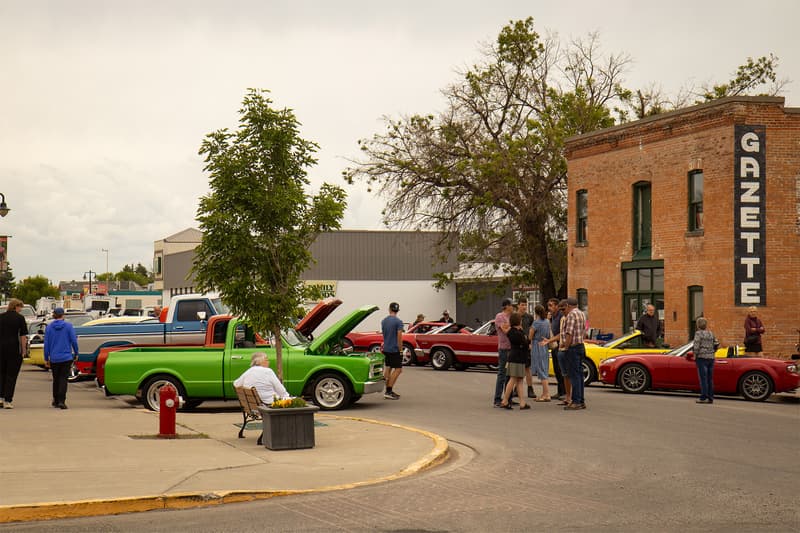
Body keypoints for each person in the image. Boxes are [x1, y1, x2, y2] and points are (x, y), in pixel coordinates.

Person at [43, 307, 80, 409]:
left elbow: (46, 344)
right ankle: (61, 401)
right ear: (63, 315)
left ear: (54, 315)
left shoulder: (49, 327)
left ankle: (55, 399)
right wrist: (76, 352)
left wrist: (46, 358)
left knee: (56, 379)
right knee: (63, 379)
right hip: (66, 357)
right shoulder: (68, 326)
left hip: (54, 357)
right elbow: (74, 341)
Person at [0, 299, 29, 409]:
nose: (21, 309)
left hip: (1, 349)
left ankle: (0, 397)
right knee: (11, 375)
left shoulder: (1, 317)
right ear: (16, 306)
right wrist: (24, 351)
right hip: (14, 349)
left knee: (1, 373)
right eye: (20, 307)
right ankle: (8, 400)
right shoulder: (20, 318)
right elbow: (23, 336)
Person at [499, 312, 530, 410]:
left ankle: (522, 403)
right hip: (517, 358)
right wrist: (526, 340)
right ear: (518, 321)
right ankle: (505, 400)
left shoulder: (511, 331)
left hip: (515, 357)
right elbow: (525, 343)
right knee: (513, 379)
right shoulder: (517, 333)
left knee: (519, 380)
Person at [562, 297, 587, 411]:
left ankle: (576, 401)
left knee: (574, 375)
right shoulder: (582, 314)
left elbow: (569, 333)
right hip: (581, 345)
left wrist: (566, 347)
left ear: (568, 305)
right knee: (579, 374)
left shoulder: (571, 315)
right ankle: (581, 400)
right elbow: (584, 331)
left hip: (573, 347)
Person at [492, 298, 514, 407]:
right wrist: (512, 328)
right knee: (502, 373)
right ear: (506, 306)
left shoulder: (511, 317)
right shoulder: (500, 316)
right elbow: (505, 330)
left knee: (510, 374)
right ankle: (497, 398)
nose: (513, 307)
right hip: (504, 348)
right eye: (511, 305)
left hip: (512, 348)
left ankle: (508, 397)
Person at [381, 302, 404, 400]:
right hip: (394, 349)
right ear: (397, 310)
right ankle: (389, 391)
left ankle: (387, 390)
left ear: (389, 309)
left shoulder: (384, 321)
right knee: (398, 369)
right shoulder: (398, 322)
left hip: (386, 348)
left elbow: (384, 335)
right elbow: (399, 337)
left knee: (388, 368)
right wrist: (401, 350)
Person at [693, 317, 717, 404]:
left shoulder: (698, 334)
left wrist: (695, 355)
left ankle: (703, 397)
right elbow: (716, 343)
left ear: (698, 325)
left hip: (702, 358)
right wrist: (712, 351)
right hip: (711, 358)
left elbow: (696, 345)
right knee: (710, 378)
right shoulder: (711, 333)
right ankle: (710, 397)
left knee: (703, 378)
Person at [531, 304, 552, 401]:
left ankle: (546, 394)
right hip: (545, 345)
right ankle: (544, 394)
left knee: (541, 370)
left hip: (537, 345)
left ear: (536, 312)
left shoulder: (536, 323)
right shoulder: (547, 321)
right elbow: (548, 334)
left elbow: (530, 335)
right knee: (544, 368)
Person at [546, 298, 566, 399]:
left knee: (560, 369)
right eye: (548, 306)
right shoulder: (553, 317)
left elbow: (561, 333)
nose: (549, 308)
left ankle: (564, 391)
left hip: (559, 344)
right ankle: (560, 391)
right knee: (556, 369)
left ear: (557, 306)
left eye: (551, 305)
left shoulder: (561, 316)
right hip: (554, 345)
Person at [517, 298, 536, 399]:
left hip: (527, 345)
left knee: (527, 368)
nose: (524, 307)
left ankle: (530, 388)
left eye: (525, 305)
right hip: (517, 345)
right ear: (518, 306)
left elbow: (532, 331)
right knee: (517, 368)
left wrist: (531, 343)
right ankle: (516, 389)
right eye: (522, 305)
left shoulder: (529, 317)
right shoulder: (514, 316)